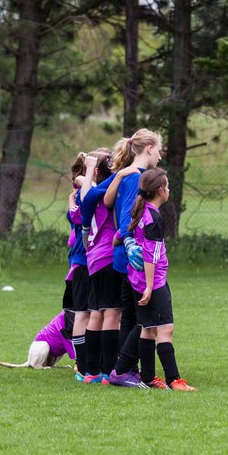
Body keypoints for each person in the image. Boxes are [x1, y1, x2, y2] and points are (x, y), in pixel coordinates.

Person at [112, 168, 195, 391]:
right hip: (153, 282)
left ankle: (148, 377)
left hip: (135, 280)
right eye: (167, 186)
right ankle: (174, 380)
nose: (168, 190)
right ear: (160, 190)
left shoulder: (139, 211)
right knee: (165, 329)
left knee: (147, 328)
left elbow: (119, 236)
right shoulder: (154, 217)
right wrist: (149, 287)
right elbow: (151, 255)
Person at [97, 129, 164, 386]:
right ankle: (123, 368)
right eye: (158, 149)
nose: (159, 155)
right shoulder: (136, 178)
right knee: (143, 317)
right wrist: (127, 240)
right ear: (148, 149)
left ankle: (127, 369)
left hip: (123, 256)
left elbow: (107, 201)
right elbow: (127, 220)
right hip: (132, 260)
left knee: (131, 316)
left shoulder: (129, 176)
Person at [77, 147, 119, 383]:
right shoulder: (105, 192)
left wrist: (88, 171)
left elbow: (83, 189)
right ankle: (108, 371)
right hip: (108, 257)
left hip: (93, 259)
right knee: (112, 313)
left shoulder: (90, 189)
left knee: (95, 314)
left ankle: (90, 372)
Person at [64, 153, 93, 380]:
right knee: (82, 314)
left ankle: (91, 361)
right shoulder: (82, 196)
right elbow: (77, 218)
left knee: (92, 313)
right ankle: (81, 364)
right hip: (83, 264)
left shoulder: (78, 197)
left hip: (90, 263)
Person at [0, 310, 77, 369]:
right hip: (41, 345)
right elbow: (69, 340)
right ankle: (38, 366)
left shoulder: (71, 316)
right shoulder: (67, 318)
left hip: (53, 351)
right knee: (44, 345)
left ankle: (50, 365)